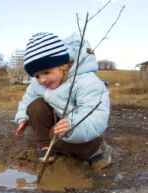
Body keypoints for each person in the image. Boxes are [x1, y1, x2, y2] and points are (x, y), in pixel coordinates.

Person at [14, 32, 111, 169]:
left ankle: (94, 151)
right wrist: (23, 118)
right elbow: (27, 100)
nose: (42, 80)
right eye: (36, 76)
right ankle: (47, 147)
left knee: (56, 132)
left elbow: (95, 115)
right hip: (60, 127)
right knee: (35, 106)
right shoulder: (38, 83)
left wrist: (73, 126)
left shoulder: (86, 81)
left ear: (63, 65)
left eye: (47, 72)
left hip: (82, 128)